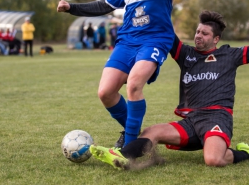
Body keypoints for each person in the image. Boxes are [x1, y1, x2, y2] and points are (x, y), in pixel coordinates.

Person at [57, 0, 192, 148]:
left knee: (135, 85)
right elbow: (104, 6)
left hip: (155, 39)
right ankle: (135, 133)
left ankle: (130, 149)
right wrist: (71, 8)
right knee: (105, 92)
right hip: (127, 41)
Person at [89, 10, 249, 170]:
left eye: (205, 33)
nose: (199, 35)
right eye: (198, 31)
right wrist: (153, 7)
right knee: (151, 132)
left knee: (213, 159)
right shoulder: (187, 54)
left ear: (216, 39)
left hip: (216, 118)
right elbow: (167, 32)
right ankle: (122, 156)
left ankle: (244, 153)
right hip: (191, 122)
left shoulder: (229, 55)